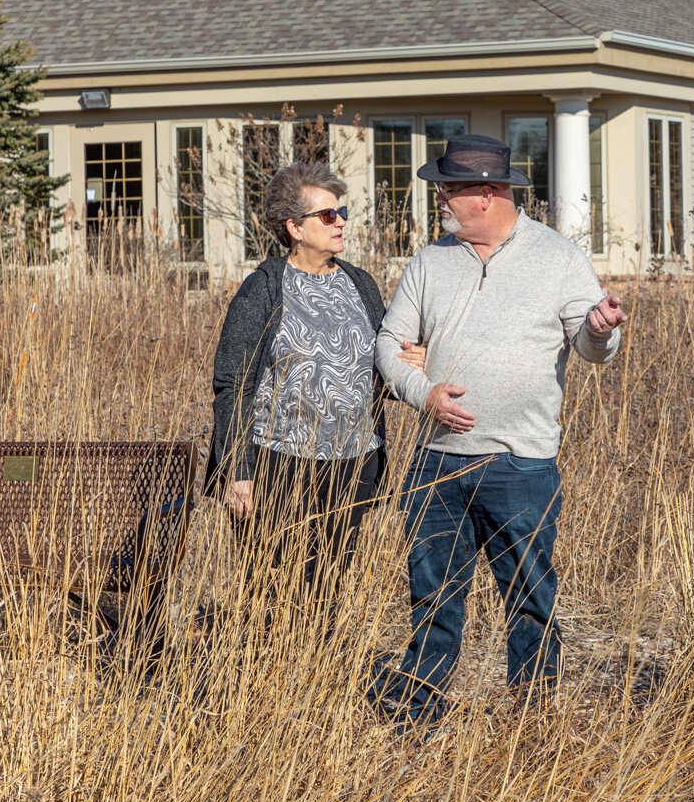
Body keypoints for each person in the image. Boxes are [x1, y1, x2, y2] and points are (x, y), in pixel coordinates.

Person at [370, 134, 629, 727]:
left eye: (448, 190)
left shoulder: (558, 257)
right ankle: (419, 714)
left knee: (530, 598)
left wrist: (600, 329)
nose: (439, 200)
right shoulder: (429, 262)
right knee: (432, 595)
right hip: (437, 461)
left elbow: (594, 347)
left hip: (520, 465)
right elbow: (389, 341)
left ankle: (533, 722)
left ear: (485, 194)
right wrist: (422, 392)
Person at [207, 161, 421, 621]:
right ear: (294, 228)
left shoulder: (359, 284)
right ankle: (269, 680)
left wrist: (403, 367)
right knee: (271, 587)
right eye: (327, 215)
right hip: (277, 464)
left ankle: (318, 672)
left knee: (329, 583)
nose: (341, 220)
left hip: (352, 463)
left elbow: (373, 373)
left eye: (341, 211)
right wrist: (236, 470)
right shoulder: (262, 289)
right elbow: (233, 384)